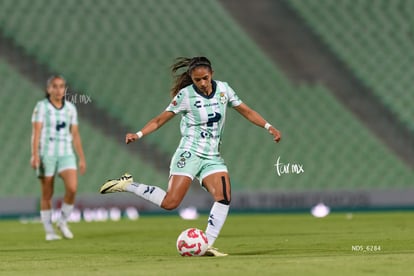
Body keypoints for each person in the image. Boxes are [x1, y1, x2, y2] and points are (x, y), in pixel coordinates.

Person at [100, 57, 281, 256]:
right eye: (197, 80)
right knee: (171, 203)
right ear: (191, 80)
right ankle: (127, 184)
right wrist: (139, 134)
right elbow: (160, 119)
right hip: (190, 153)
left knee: (224, 197)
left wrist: (268, 126)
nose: (202, 83)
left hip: (212, 156)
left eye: (205, 78)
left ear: (212, 74)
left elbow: (246, 111)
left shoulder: (224, 90)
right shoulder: (185, 96)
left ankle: (206, 245)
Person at [31, 75, 86, 241]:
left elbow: (75, 135)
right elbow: (37, 132)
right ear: (49, 89)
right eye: (54, 86)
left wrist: (81, 158)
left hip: (66, 153)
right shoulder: (41, 107)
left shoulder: (70, 108)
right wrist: (34, 155)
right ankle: (49, 230)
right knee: (47, 193)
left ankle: (62, 221)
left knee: (72, 188)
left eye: (61, 86)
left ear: (65, 89)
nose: (58, 90)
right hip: (47, 153)